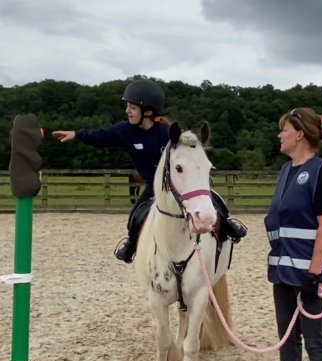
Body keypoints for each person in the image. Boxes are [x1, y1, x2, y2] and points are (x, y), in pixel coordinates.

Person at [52, 79, 247, 264]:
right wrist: (76, 134)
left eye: (132, 107)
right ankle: (131, 243)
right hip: (153, 186)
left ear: (147, 111)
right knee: (136, 215)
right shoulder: (125, 131)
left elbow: (186, 156)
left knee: (212, 200)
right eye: (128, 106)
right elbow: (100, 136)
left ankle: (228, 225)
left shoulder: (167, 133)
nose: (127, 111)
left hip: (175, 184)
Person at [264, 107, 322, 361]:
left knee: (315, 340)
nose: (279, 134)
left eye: (283, 129)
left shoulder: (320, 171)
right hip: (283, 272)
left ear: (299, 133)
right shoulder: (286, 171)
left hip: (311, 274)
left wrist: (314, 274)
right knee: (287, 340)